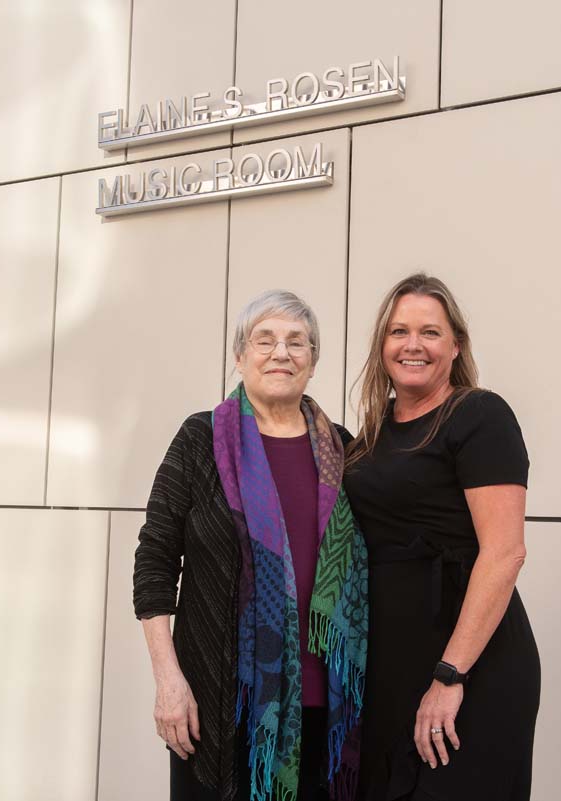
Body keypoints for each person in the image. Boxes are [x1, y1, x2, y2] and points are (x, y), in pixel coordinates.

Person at [133, 290, 369, 801]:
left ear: (313, 360)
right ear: (240, 357)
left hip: (322, 706)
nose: (281, 353)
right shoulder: (200, 439)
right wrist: (168, 679)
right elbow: (154, 561)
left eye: (297, 342)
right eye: (265, 340)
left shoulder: (341, 450)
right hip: (220, 701)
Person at [344, 274, 539, 801]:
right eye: (398, 331)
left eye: (429, 332)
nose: (412, 345)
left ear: (455, 346)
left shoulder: (479, 415)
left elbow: (504, 552)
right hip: (390, 667)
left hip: (468, 665)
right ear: (382, 345)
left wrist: (450, 676)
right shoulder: (370, 434)